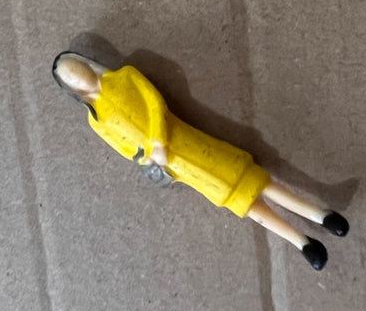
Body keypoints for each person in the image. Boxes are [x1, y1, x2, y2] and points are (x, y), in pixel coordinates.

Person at [53, 52, 349, 270]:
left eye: (77, 67)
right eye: (71, 77)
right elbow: (124, 148)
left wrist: (158, 143)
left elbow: (156, 104)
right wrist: (148, 161)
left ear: (86, 63)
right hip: (177, 166)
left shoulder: (124, 77)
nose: (79, 75)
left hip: (188, 143)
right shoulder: (96, 121)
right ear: (71, 88)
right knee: (240, 203)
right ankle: (302, 242)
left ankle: (319, 214)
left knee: (253, 180)